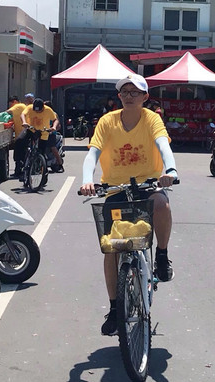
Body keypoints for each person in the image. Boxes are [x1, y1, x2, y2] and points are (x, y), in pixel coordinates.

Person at [79, 74, 178, 336]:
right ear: (118, 97)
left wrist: (170, 169)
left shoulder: (152, 119)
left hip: (147, 185)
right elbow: (93, 153)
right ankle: (114, 308)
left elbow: (162, 145)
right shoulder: (107, 121)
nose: (130, 96)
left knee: (161, 204)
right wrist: (87, 179)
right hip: (116, 188)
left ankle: (162, 256)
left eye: (136, 92)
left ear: (145, 97)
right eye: (125, 92)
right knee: (111, 248)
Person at [14, 98, 61, 179]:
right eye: (36, 111)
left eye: (39, 111)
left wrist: (53, 127)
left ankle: (44, 171)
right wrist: (24, 122)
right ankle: (19, 163)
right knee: (19, 141)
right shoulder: (29, 108)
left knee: (41, 152)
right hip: (31, 129)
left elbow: (55, 119)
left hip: (44, 132)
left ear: (43, 107)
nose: (37, 112)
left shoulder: (48, 110)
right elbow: (23, 114)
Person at [11, 93, 37, 176]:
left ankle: (39, 166)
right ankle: (18, 167)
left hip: (38, 130)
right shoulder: (25, 107)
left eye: (30, 98)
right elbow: (22, 114)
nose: (29, 100)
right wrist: (24, 122)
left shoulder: (39, 107)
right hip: (27, 130)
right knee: (19, 143)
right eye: (27, 98)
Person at [43, 100, 64, 173]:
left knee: (53, 148)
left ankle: (60, 164)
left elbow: (58, 125)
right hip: (42, 133)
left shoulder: (53, 114)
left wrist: (53, 130)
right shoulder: (41, 114)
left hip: (51, 134)